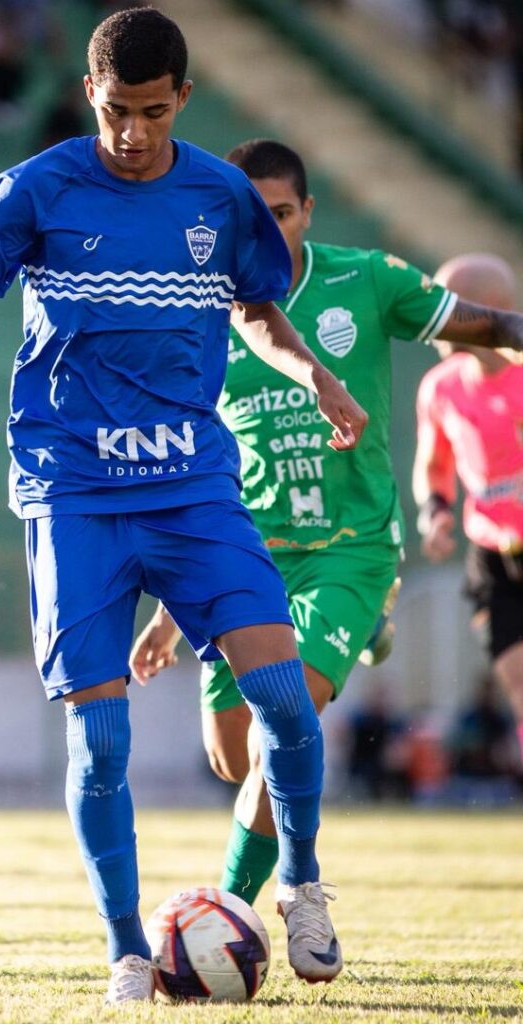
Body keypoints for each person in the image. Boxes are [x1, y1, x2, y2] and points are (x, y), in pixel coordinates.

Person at [0, 10, 370, 1001]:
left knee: (285, 703)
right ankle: (129, 947)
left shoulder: (217, 192)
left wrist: (311, 376)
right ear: (91, 95)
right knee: (104, 738)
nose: (132, 132)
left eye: (152, 112)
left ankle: (298, 883)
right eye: (116, 111)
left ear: (184, 100)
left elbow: (256, 308)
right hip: (73, 493)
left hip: (191, 488)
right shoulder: (36, 189)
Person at [130, 141, 523, 912]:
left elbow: (482, 325)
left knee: (287, 717)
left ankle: (238, 908)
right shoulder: (195, 311)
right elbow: (195, 471)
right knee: (232, 754)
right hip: (246, 558)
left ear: (307, 211)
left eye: (280, 213)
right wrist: (171, 615)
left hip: (350, 547)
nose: (265, 228)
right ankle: (367, 634)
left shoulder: (365, 280)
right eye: (249, 214)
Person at [413, 252, 523, 763]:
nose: (433, 317)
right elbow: (434, 464)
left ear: (487, 309)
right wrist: (435, 513)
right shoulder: (440, 387)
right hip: (492, 556)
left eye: (447, 304)